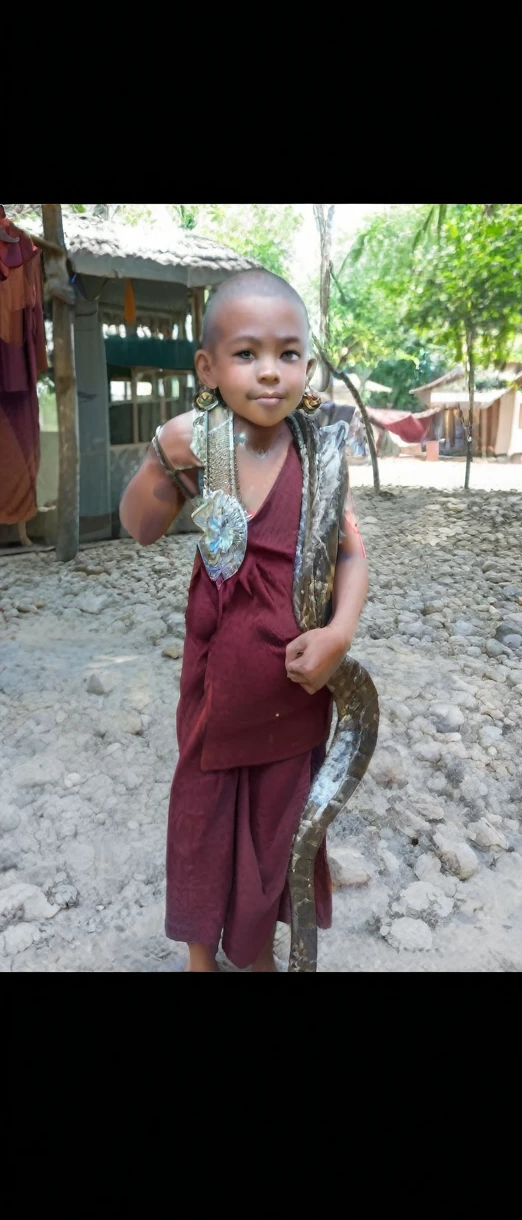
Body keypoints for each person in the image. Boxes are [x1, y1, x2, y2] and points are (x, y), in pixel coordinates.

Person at [120, 269, 369, 972]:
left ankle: (254, 949)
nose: (269, 373)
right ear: (208, 367)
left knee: (276, 829)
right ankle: (204, 956)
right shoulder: (200, 447)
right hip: (216, 689)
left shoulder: (319, 454)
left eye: (288, 354)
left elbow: (352, 556)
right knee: (201, 823)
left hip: (294, 691)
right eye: (246, 354)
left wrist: (339, 633)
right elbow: (139, 528)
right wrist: (159, 458)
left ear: (308, 367)